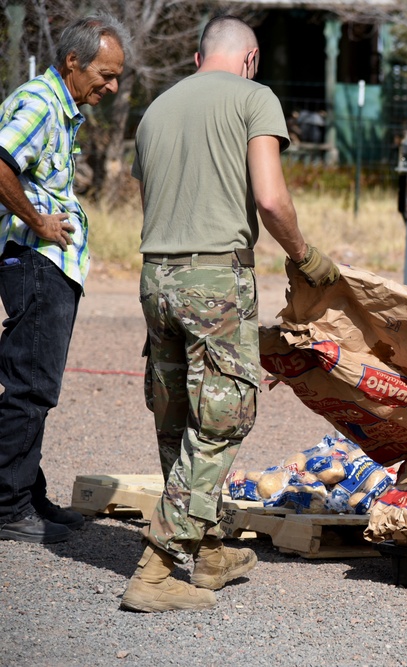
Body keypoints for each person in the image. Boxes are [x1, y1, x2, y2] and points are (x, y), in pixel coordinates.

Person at [121, 15, 339, 613]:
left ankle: (211, 547)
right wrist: (306, 257)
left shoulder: (156, 109)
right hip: (215, 277)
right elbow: (269, 197)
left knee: (177, 414)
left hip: (155, 275)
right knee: (222, 417)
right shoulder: (255, 96)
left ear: (197, 59)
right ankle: (158, 568)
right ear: (251, 59)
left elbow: (157, 200)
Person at [0, 15, 130, 544]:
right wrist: (38, 222)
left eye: (118, 76)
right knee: (30, 387)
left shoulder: (65, 108)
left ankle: (25, 492)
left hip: (50, 265)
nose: (112, 86)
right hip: (35, 261)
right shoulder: (39, 102)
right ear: (73, 62)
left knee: (37, 386)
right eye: (105, 73)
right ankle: (8, 507)